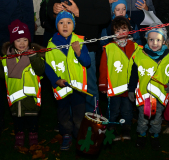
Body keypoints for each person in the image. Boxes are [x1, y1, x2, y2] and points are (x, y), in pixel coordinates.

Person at [47, 0, 111, 113]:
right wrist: (54, 10)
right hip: (62, 48)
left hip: (86, 45)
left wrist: (78, 12)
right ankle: (70, 122)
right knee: (67, 86)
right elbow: (47, 11)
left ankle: (93, 121)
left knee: (89, 86)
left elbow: (104, 16)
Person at [44, 10, 91, 150]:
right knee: (63, 114)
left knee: (78, 114)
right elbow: (47, 66)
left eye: (69, 22)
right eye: (61, 22)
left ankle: (79, 135)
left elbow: (87, 62)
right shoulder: (51, 44)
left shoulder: (80, 41)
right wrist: (55, 80)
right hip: (61, 88)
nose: (65, 26)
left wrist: (78, 52)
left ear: (74, 25)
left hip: (77, 89)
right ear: (56, 25)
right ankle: (66, 135)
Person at [128, 23, 169, 150]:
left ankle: (155, 136)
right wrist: (131, 89)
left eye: (158, 40)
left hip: (159, 95)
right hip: (144, 94)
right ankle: (141, 136)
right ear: (146, 39)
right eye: (151, 39)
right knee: (143, 118)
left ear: (164, 41)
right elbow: (133, 75)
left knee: (156, 118)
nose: (154, 43)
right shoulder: (139, 55)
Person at [0, 19, 45, 149]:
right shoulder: (6, 58)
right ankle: (19, 137)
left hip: (31, 96)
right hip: (15, 97)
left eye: (25, 40)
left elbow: (41, 70)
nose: (22, 43)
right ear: (12, 42)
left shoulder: (35, 55)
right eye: (18, 40)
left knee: (32, 119)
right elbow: (3, 74)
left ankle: (33, 136)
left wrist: (34, 57)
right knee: (17, 119)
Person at [99, 16, 142, 140]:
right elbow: (103, 68)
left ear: (129, 30)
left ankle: (126, 128)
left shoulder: (135, 47)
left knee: (127, 111)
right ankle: (111, 129)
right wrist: (103, 84)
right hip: (114, 87)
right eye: (117, 31)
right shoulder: (109, 48)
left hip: (129, 88)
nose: (121, 33)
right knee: (113, 111)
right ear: (113, 32)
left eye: (124, 29)